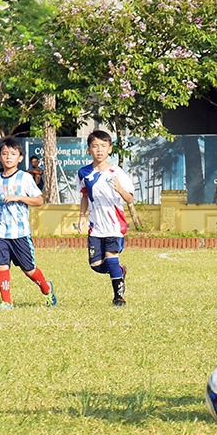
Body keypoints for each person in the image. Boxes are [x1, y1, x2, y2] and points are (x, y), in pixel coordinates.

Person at [0, 137, 56, 309]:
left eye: (13, 154)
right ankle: (6, 302)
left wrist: (19, 198)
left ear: (20, 158)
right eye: (5, 153)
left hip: (20, 233)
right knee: (1, 265)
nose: (9, 157)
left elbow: (39, 200)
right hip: (1, 232)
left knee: (28, 270)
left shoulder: (25, 178)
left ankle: (47, 289)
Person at [76, 130, 134, 306]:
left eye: (103, 146)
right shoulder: (84, 173)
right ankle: (120, 271)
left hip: (115, 226)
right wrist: (81, 216)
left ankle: (119, 297)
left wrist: (120, 189)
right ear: (89, 150)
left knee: (111, 258)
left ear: (110, 148)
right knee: (96, 265)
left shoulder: (117, 172)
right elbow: (84, 195)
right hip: (96, 226)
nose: (99, 150)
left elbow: (130, 198)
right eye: (95, 146)